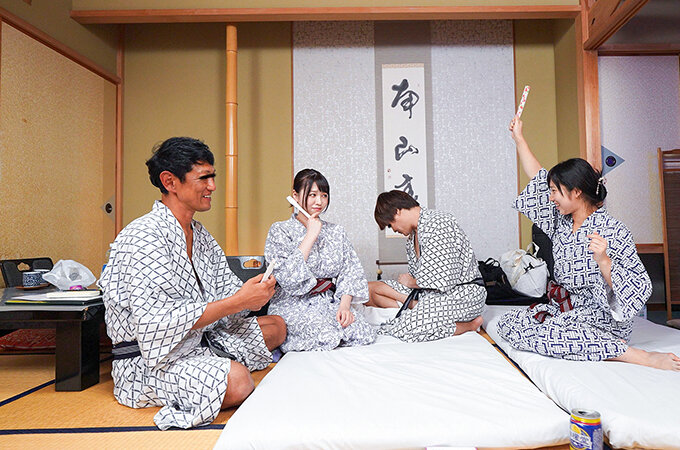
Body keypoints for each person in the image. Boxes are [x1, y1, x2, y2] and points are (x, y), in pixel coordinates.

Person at [98, 137, 287, 430]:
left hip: (199, 341)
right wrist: (238, 301)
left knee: (277, 326)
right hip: (150, 362)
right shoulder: (143, 237)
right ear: (170, 181)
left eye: (213, 177)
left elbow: (227, 296)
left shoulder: (200, 235)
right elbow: (156, 324)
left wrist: (253, 294)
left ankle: (216, 364)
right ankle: (218, 370)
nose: (213, 186)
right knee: (239, 381)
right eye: (204, 178)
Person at [496, 117, 680, 371]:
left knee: (551, 336)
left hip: (603, 317)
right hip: (567, 311)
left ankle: (636, 355)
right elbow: (537, 176)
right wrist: (519, 138)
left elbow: (638, 289)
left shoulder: (614, 230)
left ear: (575, 192)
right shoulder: (560, 222)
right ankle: (597, 344)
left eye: (555, 191)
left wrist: (604, 261)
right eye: (550, 191)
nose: (550, 197)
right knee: (509, 325)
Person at [263, 169, 376, 351]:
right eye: (312, 195)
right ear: (295, 196)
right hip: (292, 303)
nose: (319, 201)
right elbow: (287, 277)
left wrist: (345, 306)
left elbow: (350, 271)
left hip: (328, 301)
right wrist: (311, 235)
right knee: (325, 333)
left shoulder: (336, 231)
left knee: (362, 332)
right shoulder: (280, 230)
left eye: (324, 195)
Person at [367, 191, 486, 342]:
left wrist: (411, 282)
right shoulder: (412, 237)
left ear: (397, 212)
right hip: (428, 294)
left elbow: (442, 280)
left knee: (406, 328)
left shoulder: (438, 223)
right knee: (370, 289)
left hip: (461, 294)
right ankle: (418, 307)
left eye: (390, 225)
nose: (394, 229)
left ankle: (468, 325)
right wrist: (411, 284)